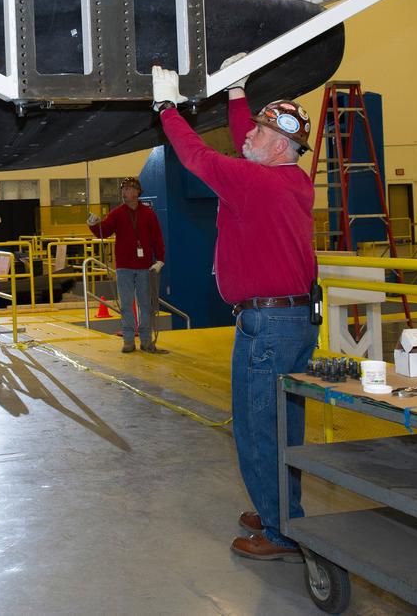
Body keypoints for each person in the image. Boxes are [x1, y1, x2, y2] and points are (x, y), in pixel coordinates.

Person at [153, 64, 317, 563]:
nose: (247, 134)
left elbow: (195, 155)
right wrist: (238, 91)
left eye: (259, 131)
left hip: (265, 328)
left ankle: (280, 531)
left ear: (277, 146)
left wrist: (167, 109)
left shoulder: (254, 183)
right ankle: (282, 509)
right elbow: (250, 135)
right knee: (285, 425)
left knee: (257, 427)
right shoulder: (292, 180)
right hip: (295, 322)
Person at [87, 177, 165, 353]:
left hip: (145, 267)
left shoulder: (148, 214)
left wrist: (160, 260)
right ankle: (129, 340)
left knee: (145, 304)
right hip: (124, 267)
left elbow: (157, 238)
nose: (125, 193)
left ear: (137, 191)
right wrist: (93, 224)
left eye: (129, 189)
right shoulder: (117, 213)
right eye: (123, 189)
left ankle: (146, 341)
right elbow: (104, 231)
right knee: (126, 304)